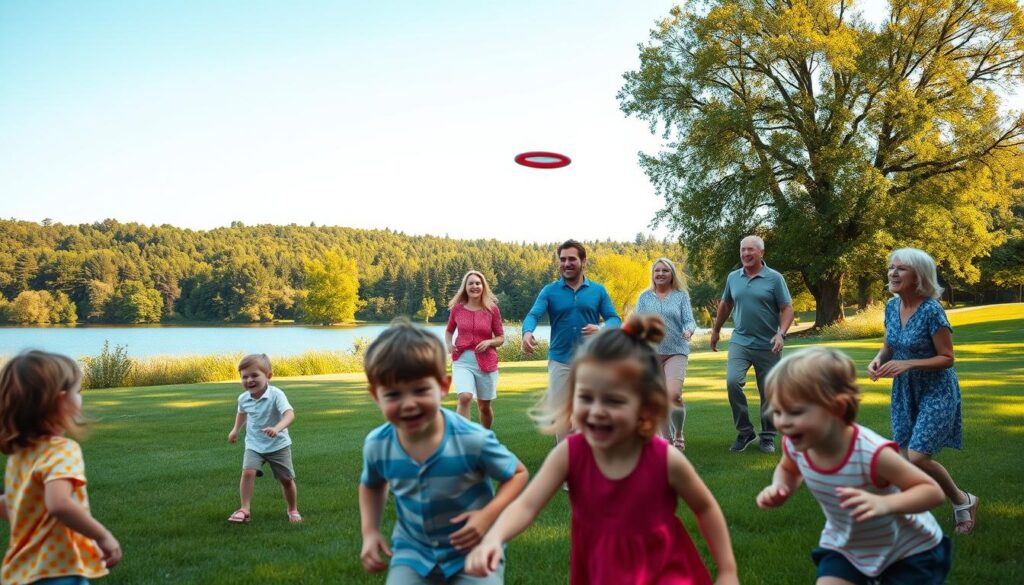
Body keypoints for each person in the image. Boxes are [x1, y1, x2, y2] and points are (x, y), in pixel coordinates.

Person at [467, 314, 738, 585]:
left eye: (613, 400)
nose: (597, 411)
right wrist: (495, 536)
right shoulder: (569, 455)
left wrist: (727, 570)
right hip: (600, 569)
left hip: (663, 569)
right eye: (585, 397)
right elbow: (527, 505)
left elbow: (705, 508)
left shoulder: (663, 459)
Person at [757, 347, 951, 584]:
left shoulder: (870, 453)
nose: (783, 422)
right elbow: (788, 469)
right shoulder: (796, 444)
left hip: (908, 551)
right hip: (846, 546)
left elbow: (931, 492)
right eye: (777, 412)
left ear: (836, 408)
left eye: (795, 412)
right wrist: (781, 487)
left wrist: (884, 503)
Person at [359, 318, 528, 584]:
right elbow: (371, 484)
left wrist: (487, 517)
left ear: (443, 386)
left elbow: (517, 474)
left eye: (420, 390)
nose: (408, 404)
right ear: (375, 395)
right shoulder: (378, 445)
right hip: (413, 552)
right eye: (393, 395)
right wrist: (369, 532)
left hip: (475, 548)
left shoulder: (471, 439)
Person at [867, 247, 977, 535]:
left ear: (919, 276)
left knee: (916, 458)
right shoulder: (891, 307)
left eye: (901, 268)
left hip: (936, 390)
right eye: (891, 267)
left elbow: (948, 357)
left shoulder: (931, 310)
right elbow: (890, 344)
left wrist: (908, 364)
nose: (893, 272)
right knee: (903, 457)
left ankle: (962, 501)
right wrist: (879, 359)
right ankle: (913, 515)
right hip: (905, 391)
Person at [0, 350, 122, 585]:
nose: (80, 397)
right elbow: (59, 504)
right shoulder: (62, 450)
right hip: (58, 572)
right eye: (78, 391)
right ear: (61, 400)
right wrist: (102, 536)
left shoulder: (20, 455)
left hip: (21, 572)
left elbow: (15, 503)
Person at [522, 239, 621, 443]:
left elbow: (614, 319)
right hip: (560, 360)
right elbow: (533, 314)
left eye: (571, 259)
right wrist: (527, 332)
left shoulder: (598, 290)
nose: (566, 263)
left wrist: (601, 329)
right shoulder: (549, 291)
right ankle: (567, 465)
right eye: (562, 259)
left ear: (583, 261)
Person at [710, 235, 794, 453]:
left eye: (750, 250)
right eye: (743, 250)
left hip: (768, 344)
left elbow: (787, 308)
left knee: (769, 392)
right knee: (732, 382)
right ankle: (745, 431)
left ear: (761, 253)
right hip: (740, 341)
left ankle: (767, 436)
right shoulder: (733, 278)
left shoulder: (775, 278)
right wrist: (716, 330)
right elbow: (725, 303)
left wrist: (781, 334)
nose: (746, 254)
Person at [226, 353, 301, 523]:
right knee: (248, 472)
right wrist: (235, 430)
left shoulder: (277, 395)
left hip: (278, 445)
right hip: (254, 444)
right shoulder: (243, 398)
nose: (249, 380)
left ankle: (292, 510)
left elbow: (289, 415)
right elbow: (242, 413)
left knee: (286, 480)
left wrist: (277, 428)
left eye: (254, 375)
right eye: (244, 377)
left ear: (268, 376)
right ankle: (245, 509)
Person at [635, 257, 698, 451]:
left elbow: (689, 320)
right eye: (657, 271)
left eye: (665, 271)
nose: (660, 274)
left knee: (674, 395)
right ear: (653, 275)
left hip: (676, 351)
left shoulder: (680, 296)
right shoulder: (644, 297)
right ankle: (668, 440)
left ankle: (678, 432)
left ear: (672, 274)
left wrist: (688, 330)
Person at [446, 270, 505, 429]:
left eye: (478, 283)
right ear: (465, 287)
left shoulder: (492, 309)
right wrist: (449, 344)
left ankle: (484, 437)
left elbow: (500, 337)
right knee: (464, 397)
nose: (474, 286)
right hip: (462, 361)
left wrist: (489, 342)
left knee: (484, 407)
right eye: (470, 283)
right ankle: (464, 439)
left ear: (483, 286)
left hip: (486, 362)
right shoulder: (457, 309)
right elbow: (449, 330)